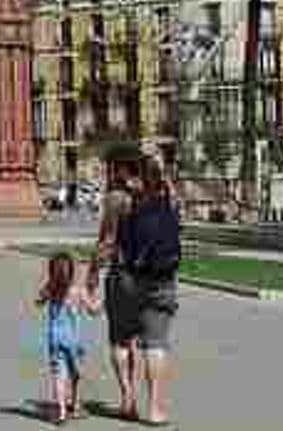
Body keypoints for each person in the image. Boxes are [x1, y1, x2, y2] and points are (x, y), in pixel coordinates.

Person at [117, 154, 180, 426]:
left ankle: (128, 398)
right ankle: (154, 409)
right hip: (164, 278)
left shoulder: (126, 204)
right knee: (156, 345)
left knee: (123, 338)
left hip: (132, 279)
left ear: (138, 178)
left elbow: (115, 242)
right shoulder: (169, 204)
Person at [86, 147, 143, 421]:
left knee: (119, 339)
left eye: (110, 167)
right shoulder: (153, 195)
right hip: (149, 277)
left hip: (123, 274)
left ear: (120, 169)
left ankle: (127, 395)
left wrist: (93, 271)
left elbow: (107, 240)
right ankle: (138, 394)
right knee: (134, 340)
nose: (107, 173)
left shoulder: (116, 198)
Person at [37, 252, 100, 424]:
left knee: (59, 375)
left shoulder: (50, 290)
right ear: (71, 272)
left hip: (55, 339)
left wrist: (45, 295)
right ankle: (76, 405)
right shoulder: (77, 291)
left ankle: (62, 412)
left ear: (52, 273)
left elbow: (38, 301)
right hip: (74, 340)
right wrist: (98, 300)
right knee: (76, 374)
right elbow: (94, 310)